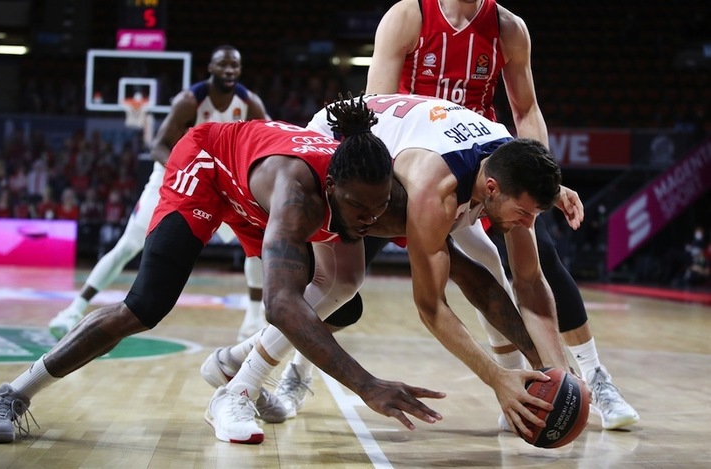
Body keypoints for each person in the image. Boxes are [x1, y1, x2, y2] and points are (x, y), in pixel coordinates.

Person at [0, 94, 445, 445]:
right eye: (356, 207)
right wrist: (366, 385)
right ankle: (13, 392)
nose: (368, 219)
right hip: (209, 166)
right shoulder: (298, 197)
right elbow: (280, 305)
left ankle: (235, 373)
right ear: (330, 187)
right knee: (145, 306)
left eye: (378, 208)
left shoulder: (377, 197)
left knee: (342, 306)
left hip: (255, 188)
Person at [200, 94, 586, 442]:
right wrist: (495, 379)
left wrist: (551, 368)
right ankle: (240, 386)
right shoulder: (436, 191)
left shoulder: (513, 168)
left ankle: (232, 362)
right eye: (523, 213)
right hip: (335, 146)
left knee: (478, 266)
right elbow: (431, 308)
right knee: (337, 283)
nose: (524, 222)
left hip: (406, 144)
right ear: (490, 189)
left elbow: (528, 281)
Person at [340, 0, 639, 431]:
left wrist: (544, 183)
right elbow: (377, 109)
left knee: (539, 263)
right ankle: (295, 368)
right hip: (413, 166)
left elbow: (526, 110)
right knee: (341, 277)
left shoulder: (508, 28)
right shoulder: (410, 15)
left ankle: (588, 378)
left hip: (484, 163)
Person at [48, 45, 272, 343]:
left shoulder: (250, 103)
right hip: (175, 175)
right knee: (128, 246)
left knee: (255, 239)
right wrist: (186, 168)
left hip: (221, 183)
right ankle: (74, 310)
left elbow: (268, 138)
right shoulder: (189, 100)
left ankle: (253, 319)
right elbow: (157, 145)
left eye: (235, 66)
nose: (229, 71)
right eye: (223, 65)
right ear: (211, 67)